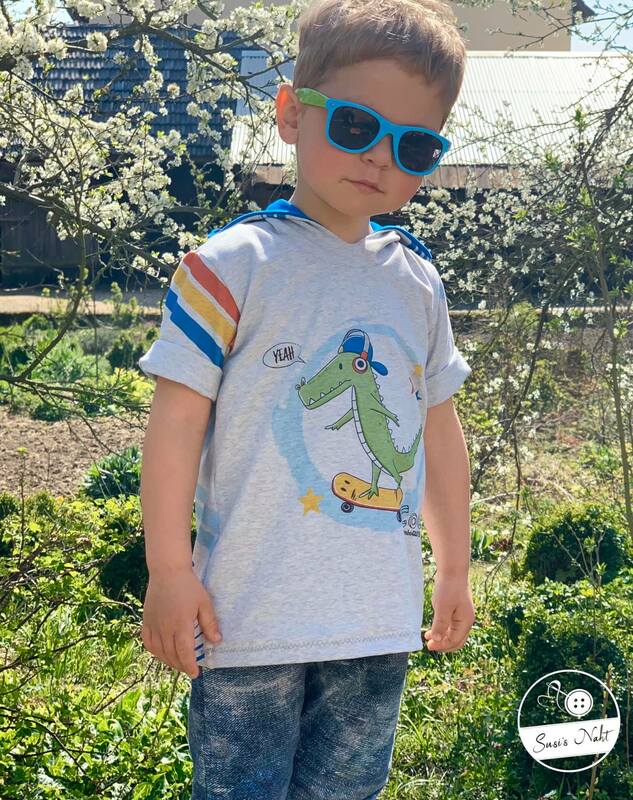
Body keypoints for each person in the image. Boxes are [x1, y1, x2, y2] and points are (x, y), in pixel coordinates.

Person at [137, 0, 475, 796]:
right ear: (291, 113)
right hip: (247, 618)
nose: (380, 158)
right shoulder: (230, 266)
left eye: (413, 145)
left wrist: (455, 569)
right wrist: (168, 568)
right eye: (355, 126)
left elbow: (437, 435)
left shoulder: (417, 283)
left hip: (375, 623)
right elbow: (174, 425)